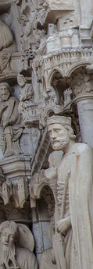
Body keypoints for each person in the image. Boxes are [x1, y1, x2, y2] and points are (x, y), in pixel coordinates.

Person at [45, 115, 93, 269]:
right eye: (50, 132)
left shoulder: (82, 151)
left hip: (79, 223)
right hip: (64, 227)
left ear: (69, 131)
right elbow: (60, 201)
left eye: (57, 130)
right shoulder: (62, 159)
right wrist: (52, 181)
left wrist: (70, 220)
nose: (53, 136)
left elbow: (85, 194)